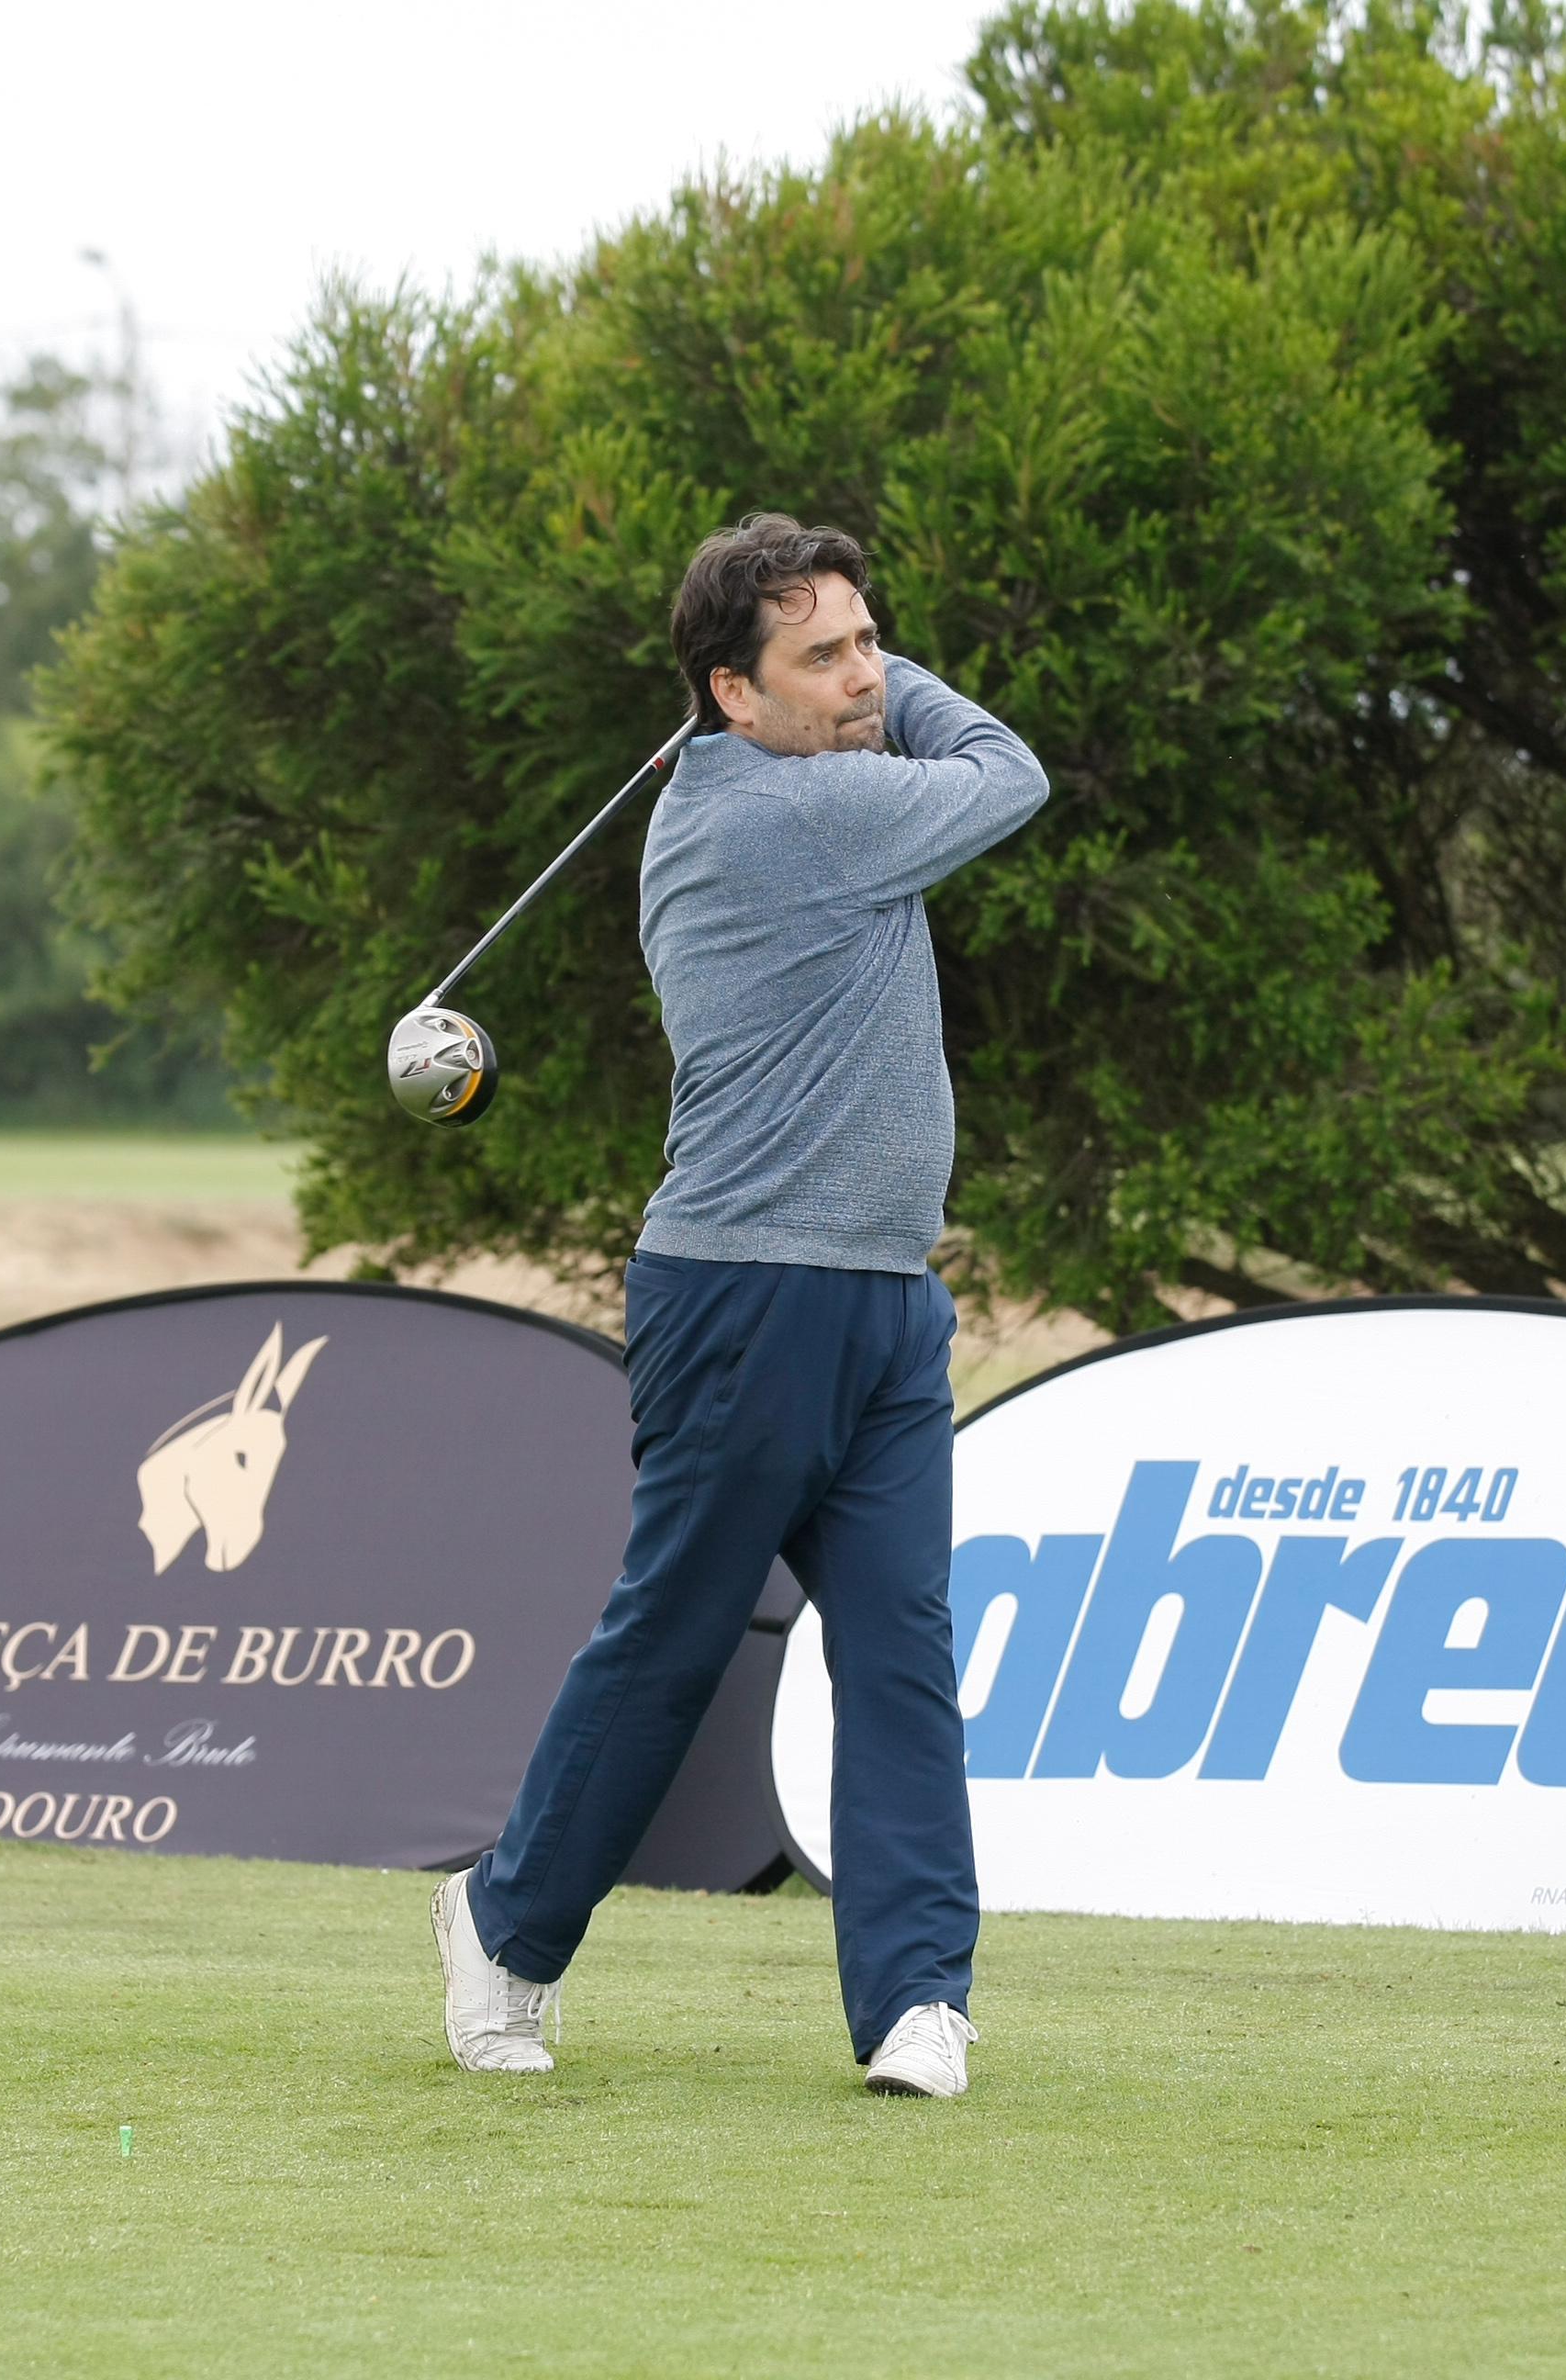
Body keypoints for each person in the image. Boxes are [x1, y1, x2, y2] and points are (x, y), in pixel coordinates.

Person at [432, 514, 1050, 2097]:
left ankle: (917, 1999)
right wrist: (902, 687)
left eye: (870, 639)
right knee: (676, 1640)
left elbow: (941, 756)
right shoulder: (791, 815)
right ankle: (502, 1926)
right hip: (745, 1294)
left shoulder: (791, 778)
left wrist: (844, 674)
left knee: (901, 1649)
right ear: (731, 692)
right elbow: (1008, 773)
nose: (864, 677)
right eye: (823, 655)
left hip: (887, 1298)